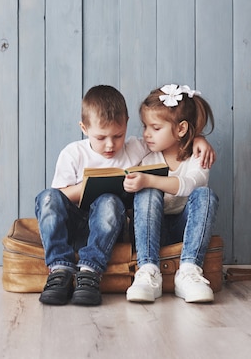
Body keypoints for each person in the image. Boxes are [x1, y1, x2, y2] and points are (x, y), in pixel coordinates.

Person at [35, 85, 215, 306]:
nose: (110, 144)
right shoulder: (73, 154)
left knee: (110, 201)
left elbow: (172, 141)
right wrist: (87, 187)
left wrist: (197, 139)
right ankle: (59, 269)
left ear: (127, 125)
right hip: (77, 224)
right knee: (47, 197)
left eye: (118, 136)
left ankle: (91, 271)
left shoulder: (137, 148)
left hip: (111, 226)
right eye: (101, 137)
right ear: (84, 128)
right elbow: (58, 197)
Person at [124, 84, 219, 303]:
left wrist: (199, 139)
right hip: (148, 231)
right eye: (145, 126)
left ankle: (189, 271)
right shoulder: (144, 151)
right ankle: (147, 270)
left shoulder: (198, 156)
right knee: (146, 193)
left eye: (155, 128)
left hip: (185, 232)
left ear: (181, 129)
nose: (147, 134)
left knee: (205, 194)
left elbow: (190, 185)